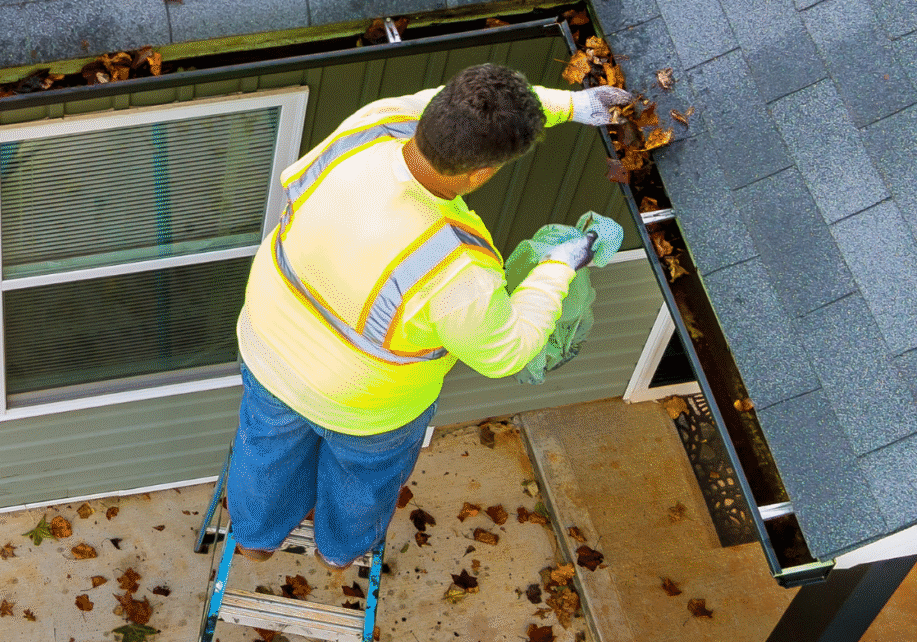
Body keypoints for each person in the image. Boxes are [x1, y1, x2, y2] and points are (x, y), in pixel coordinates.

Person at [224, 61, 630, 568]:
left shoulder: (375, 123)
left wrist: (574, 105)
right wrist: (559, 264)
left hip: (269, 348)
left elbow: (463, 109)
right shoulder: (454, 270)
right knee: (361, 481)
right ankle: (338, 553)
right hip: (367, 407)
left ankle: (255, 540)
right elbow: (506, 352)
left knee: (265, 456)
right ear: (481, 173)